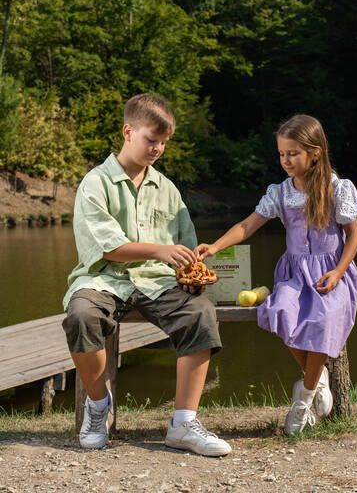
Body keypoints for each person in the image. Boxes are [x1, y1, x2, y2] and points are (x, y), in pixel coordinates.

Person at [62, 93, 231, 456]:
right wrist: (160, 250)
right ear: (128, 131)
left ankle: (184, 423)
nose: (157, 148)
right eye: (150, 139)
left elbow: (183, 246)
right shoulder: (95, 183)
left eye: (163, 143)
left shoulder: (167, 189)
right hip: (103, 277)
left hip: (157, 281)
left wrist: (191, 264)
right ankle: (97, 405)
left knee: (199, 313)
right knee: (81, 315)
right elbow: (107, 247)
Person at [196, 114, 357, 435]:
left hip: (332, 271)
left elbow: (354, 237)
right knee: (277, 312)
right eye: (281, 153)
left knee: (323, 318)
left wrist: (338, 272)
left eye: (292, 153)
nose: (285, 160)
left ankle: (303, 400)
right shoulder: (280, 193)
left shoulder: (337, 188)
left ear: (314, 152)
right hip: (295, 273)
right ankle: (317, 378)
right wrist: (215, 246)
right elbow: (247, 225)